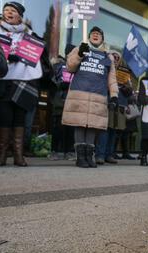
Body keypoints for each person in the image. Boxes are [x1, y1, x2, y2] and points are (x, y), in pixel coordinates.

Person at [0, 2, 52, 167]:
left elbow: (39, 54)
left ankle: (18, 156)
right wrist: (7, 58)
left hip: (23, 80)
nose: (8, 12)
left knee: (20, 120)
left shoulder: (30, 34)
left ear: (20, 16)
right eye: (6, 10)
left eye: (13, 10)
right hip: (3, 81)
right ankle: (1, 155)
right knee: (4, 118)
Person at [62, 26, 119, 168]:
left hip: (98, 95)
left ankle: (89, 156)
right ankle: (80, 157)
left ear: (102, 38)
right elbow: (70, 67)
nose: (95, 35)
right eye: (93, 33)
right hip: (80, 93)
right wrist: (79, 54)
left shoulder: (108, 56)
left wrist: (114, 95)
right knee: (80, 125)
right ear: (89, 36)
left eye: (98, 34)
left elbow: (111, 79)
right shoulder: (79, 48)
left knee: (93, 126)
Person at [95, 50, 127, 165]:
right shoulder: (104, 68)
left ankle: (109, 154)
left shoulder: (124, 74)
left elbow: (129, 93)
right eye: (114, 56)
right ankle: (100, 155)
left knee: (113, 131)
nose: (115, 59)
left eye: (118, 58)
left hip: (120, 105)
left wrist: (126, 88)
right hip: (106, 101)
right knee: (104, 130)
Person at [48, 44, 76, 161]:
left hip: (73, 101)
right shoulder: (58, 65)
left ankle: (68, 151)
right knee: (58, 128)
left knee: (70, 129)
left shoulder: (77, 67)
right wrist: (60, 85)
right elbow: (51, 81)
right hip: (60, 101)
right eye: (70, 52)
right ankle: (54, 151)